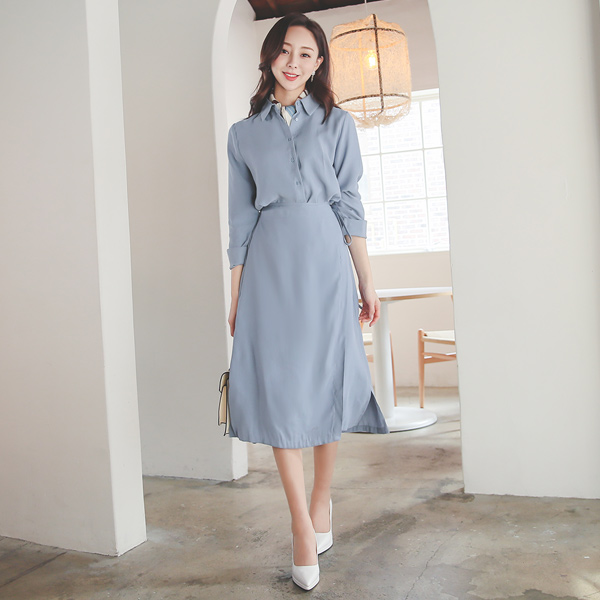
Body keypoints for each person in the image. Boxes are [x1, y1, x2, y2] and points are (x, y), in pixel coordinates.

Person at [225, 11, 389, 591]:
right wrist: (237, 292)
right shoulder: (243, 135)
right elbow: (240, 218)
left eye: (306, 54)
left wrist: (366, 279)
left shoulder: (337, 124)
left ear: (319, 64)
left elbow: (350, 203)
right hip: (269, 268)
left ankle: (321, 501)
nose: (293, 63)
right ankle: (300, 523)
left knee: (324, 380)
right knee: (281, 391)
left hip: (325, 262)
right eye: (285, 50)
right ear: (269, 54)